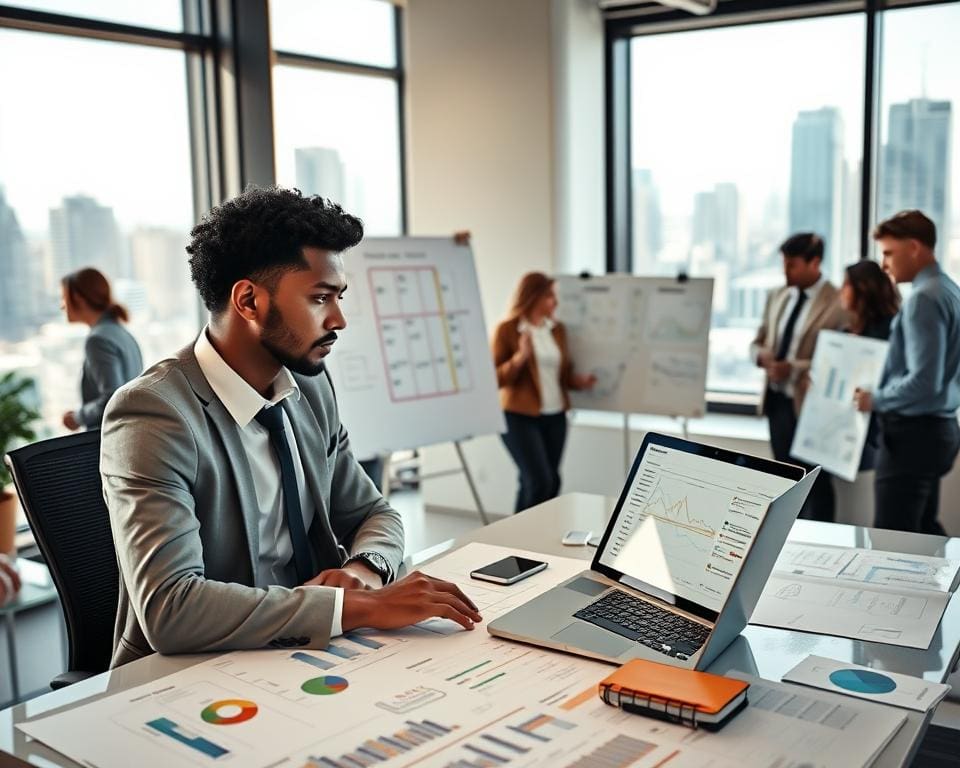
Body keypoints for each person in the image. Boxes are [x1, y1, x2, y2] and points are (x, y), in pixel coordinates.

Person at [100, 186, 481, 667]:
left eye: (339, 297)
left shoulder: (310, 389)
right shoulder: (153, 415)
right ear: (249, 301)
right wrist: (355, 606)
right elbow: (171, 609)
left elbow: (374, 513)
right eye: (321, 298)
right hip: (195, 671)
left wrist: (366, 570)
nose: (339, 319)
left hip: (309, 654)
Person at [854, 210, 960, 534]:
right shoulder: (950, 290)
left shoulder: (922, 300)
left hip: (912, 437)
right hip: (940, 430)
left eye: (888, 253)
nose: (884, 265)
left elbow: (924, 382)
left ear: (914, 247)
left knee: (892, 538)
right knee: (923, 532)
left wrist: (876, 399)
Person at [751, 233, 847, 522]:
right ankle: (788, 542)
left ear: (814, 262)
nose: (785, 271)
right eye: (784, 264)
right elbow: (758, 340)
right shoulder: (777, 295)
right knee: (784, 479)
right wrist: (761, 356)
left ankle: (822, 544)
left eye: (792, 265)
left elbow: (839, 360)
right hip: (778, 402)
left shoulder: (838, 302)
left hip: (812, 407)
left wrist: (792, 367)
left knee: (816, 484)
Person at [492, 273, 596, 513]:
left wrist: (578, 382)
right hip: (518, 416)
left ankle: (520, 538)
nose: (555, 302)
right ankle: (523, 541)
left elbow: (561, 373)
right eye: (550, 295)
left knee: (548, 482)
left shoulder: (557, 330)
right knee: (540, 481)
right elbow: (495, 379)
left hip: (555, 415)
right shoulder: (507, 330)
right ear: (533, 296)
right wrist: (520, 358)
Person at [60, 267, 143, 431]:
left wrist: (77, 417)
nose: (62, 306)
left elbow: (112, 399)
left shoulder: (97, 340)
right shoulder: (120, 331)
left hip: (108, 439)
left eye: (63, 298)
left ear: (78, 299)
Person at [838, 259, 900, 472]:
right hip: (847, 431)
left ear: (862, 290)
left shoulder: (891, 330)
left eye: (846, 285)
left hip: (882, 433)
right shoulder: (847, 332)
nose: (841, 291)